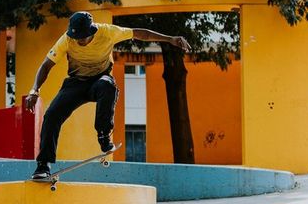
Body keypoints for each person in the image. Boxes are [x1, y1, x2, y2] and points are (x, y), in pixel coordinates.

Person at [25, 11, 191, 180]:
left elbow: (141, 33)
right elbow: (46, 65)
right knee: (52, 115)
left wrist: (170, 39)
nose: (79, 41)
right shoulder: (67, 39)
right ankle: (43, 165)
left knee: (107, 85)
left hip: (99, 80)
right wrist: (34, 90)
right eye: (77, 38)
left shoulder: (108, 32)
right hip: (76, 83)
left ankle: (104, 135)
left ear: (92, 32)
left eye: (83, 38)